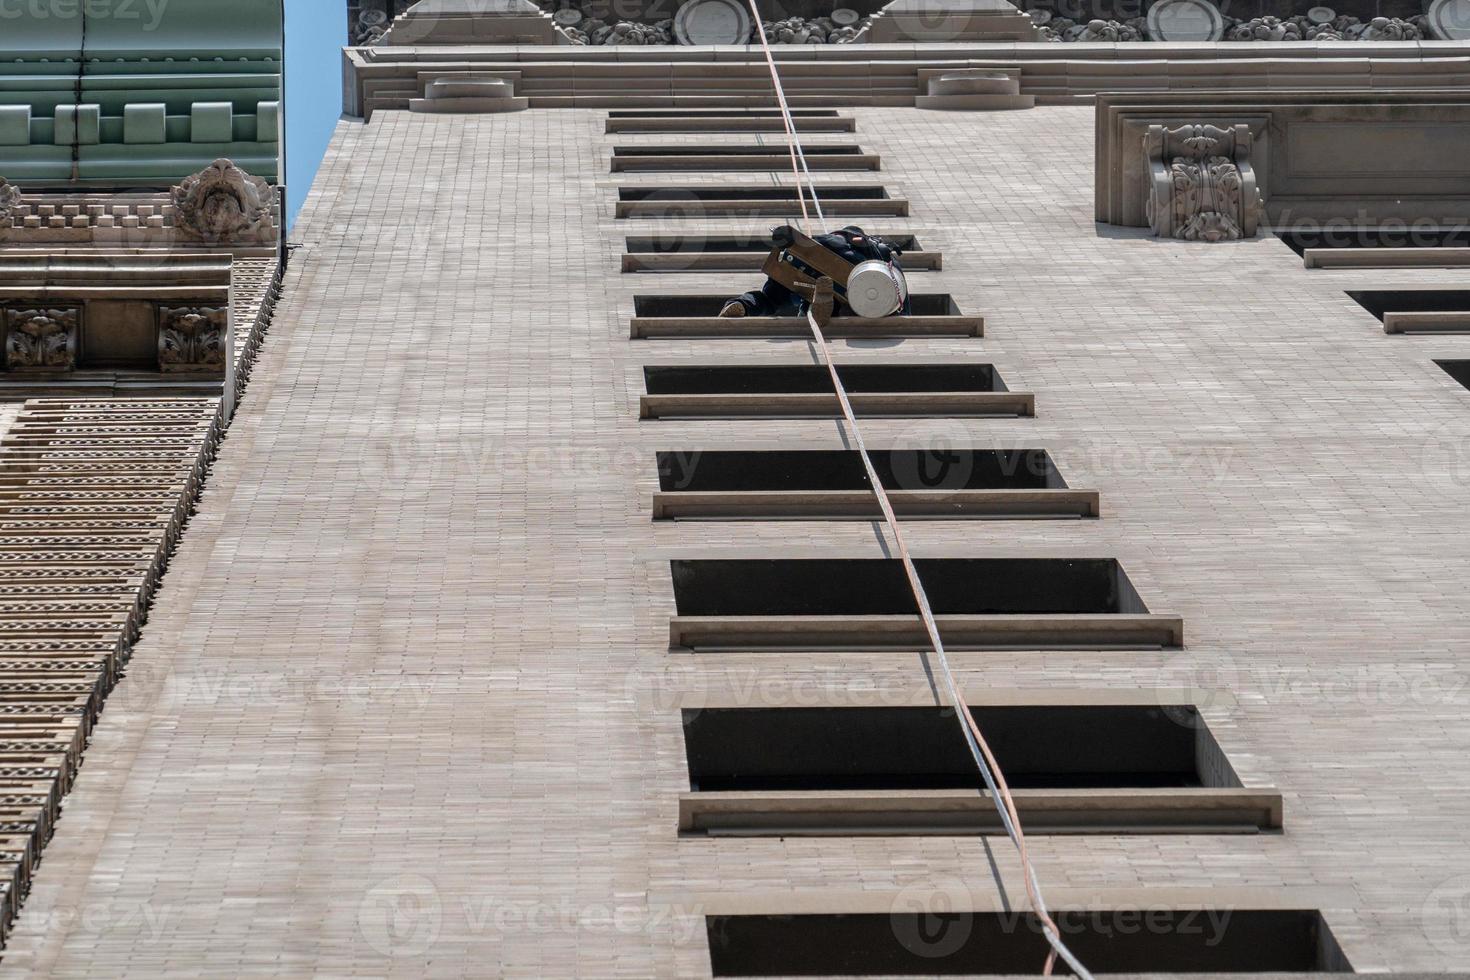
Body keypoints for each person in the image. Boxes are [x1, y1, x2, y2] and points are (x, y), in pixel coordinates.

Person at [718, 225, 905, 318]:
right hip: (863, 286)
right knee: (836, 306)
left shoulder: (830, 240)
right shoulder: (881, 252)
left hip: (805, 269)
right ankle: (817, 307)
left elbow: (798, 244)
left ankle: (743, 305)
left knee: (769, 299)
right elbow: (901, 301)